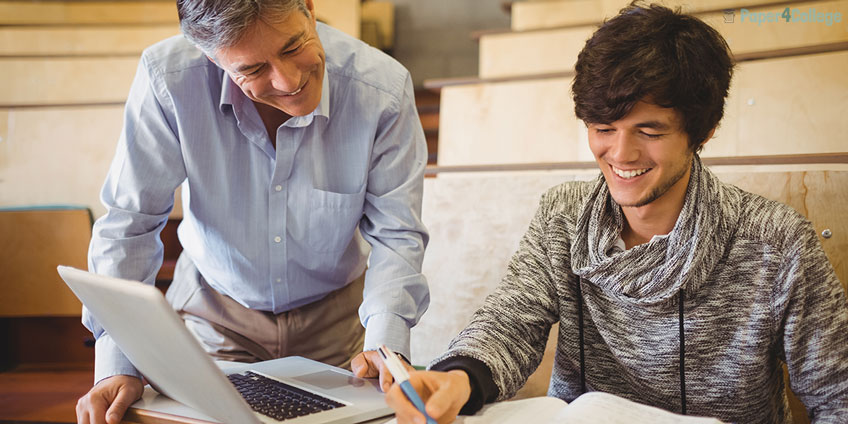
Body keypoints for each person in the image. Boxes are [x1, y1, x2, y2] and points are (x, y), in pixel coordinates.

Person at [385, 3, 848, 424]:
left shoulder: (777, 243)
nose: (621, 153)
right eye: (603, 128)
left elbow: (837, 397)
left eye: (649, 130)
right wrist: (458, 377)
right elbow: (510, 322)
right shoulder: (563, 215)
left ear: (702, 131)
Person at [75, 0, 430, 422]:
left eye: (293, 45)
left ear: (310, 10)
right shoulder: (167, 79)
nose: (289, 79)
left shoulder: (382, 88)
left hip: (339, 323)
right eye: (253, 70)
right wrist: (118, 362)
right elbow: (129, 224)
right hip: (216, 315)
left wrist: (384, 341)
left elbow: (397, 233)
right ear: (211, 56)